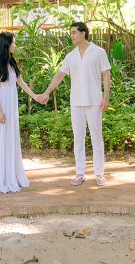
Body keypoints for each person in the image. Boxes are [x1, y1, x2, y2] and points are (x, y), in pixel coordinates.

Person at [37, 21, 111, 186]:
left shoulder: (99, 52)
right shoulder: (71, 55)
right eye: (71, 33)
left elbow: (106, 76)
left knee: (96, 139)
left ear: (83, 33)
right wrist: (47, 92)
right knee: (78, 139)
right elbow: (59, 75)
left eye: (74, 32)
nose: (72, 36)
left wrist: (105, 98)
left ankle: (99, 174)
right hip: (76, 102)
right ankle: (80, 173)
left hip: (94, 101)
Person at [0, 31, 44, 193]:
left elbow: (20, 82)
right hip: (1, 105)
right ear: (6, 45)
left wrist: (35, 96)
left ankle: (11, 175)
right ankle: (0, 177)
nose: (15, 45)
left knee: (10, 138)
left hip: (12, 104)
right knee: (1, 138)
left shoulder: (12, 62)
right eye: (13, 43)